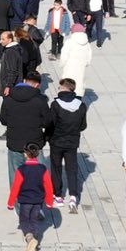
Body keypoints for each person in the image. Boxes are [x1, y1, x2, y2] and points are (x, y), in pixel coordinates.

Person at [46, 77, 87, 214]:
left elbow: (51, 124)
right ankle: (73, 196)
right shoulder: (81, 105)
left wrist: (48, 137)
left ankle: (58, 196)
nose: (58, 89)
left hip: (57, 142)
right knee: (72, 169)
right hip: (72, 142)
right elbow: (83, 125)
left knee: (56, 168)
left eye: (59, 87)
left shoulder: (55, 105)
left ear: (64, 88)